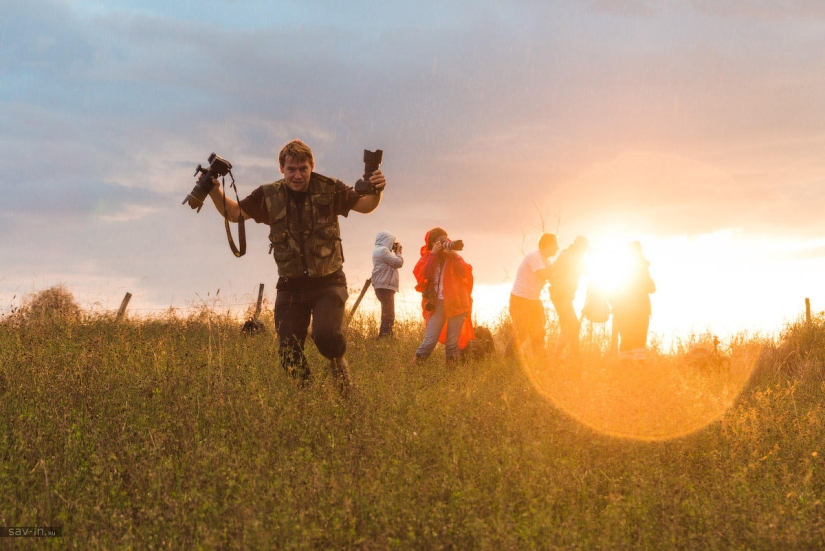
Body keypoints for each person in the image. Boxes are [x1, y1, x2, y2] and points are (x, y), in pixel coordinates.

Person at [204, 139, 386, 395]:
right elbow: (234, 214)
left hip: (329, 281)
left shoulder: (330, 188)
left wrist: (377, 190)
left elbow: (366, 205)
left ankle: (337, 364)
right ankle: (306, 397)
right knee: (288, 350)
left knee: (325, 336)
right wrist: (213, 189)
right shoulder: (268, 195)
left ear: (312, 166)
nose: (297, 175)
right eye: (291, 170)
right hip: (290, 286)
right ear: (281, 169)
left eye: (303, 168)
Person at [412, 228, 474, 365]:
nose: (444, 243)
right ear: (433, 243)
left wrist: (454, 256)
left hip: (457, 302)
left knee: (452, 344)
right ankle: (413, 370)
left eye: (445, 240)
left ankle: (451, 378)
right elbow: (424, 275)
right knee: (430, 340)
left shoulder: (454, 256)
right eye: (440, 241)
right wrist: (434, 254)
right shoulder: (427, 257)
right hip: (438, 303)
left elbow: (465, 273)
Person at [506, 233, 559, 359]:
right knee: (522, 332)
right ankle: (508, 360)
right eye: (555, 245)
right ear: (548, 245)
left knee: (539, 332)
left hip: (534, 300)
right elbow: (543, 274)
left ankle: (541, 363)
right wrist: (559, 263)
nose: (557, 248)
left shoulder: (547, 261)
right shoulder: (534, 256)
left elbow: (553, 278)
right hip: (520, 300)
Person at [610, 241, 656, 362]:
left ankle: (625, 370)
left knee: (625, 340)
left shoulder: (620, 267)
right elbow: (652, 288)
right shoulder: (641, 267)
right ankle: (638, 369)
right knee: (639, 340)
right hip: (640, 309)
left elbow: (613, 290)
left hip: (622, 309)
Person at [549, 236, 589, 361]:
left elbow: (587, 272)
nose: (584, 251)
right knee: (573, 325)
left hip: (564, 296)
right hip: (560, 295)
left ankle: (560, 358)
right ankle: (570, 357)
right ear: (578, 246)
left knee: (568, 327)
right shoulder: (567, 255)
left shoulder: (576, 257)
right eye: (583, 248)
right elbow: (558, 272)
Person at [371, 230, 403, 338]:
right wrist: (398, 252)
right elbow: (398, 263)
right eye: (392, 242)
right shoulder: (383, 250)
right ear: (387, 240)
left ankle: (385, 335)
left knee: (387, 312)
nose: (393, 245)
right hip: (385, 286)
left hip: (381, 285)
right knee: (389, 314)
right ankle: (385, 336)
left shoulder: (378, 250)